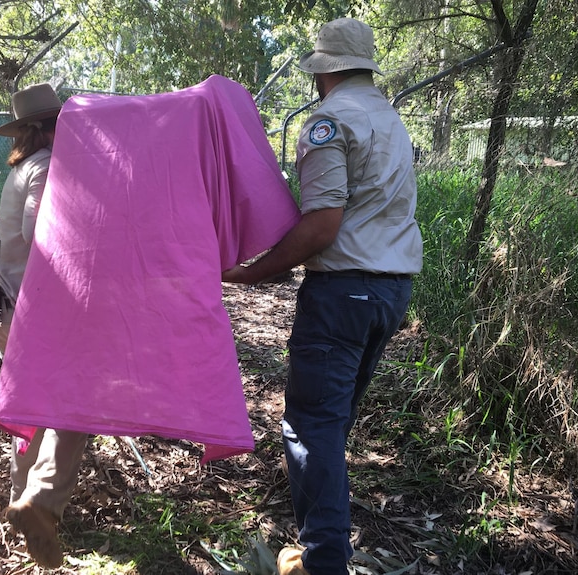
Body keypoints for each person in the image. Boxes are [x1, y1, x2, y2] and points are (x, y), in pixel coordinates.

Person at [222, 18, 423, 575]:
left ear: (323, 72)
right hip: (390, 291)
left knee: (311, 426)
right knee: (330, 424)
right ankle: (318, 545)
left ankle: (323, 560)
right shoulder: (389, 118)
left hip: (343, 292)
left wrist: (252, 273)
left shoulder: (330, 122)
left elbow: (321, 226)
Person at [0, 82, 87, 569]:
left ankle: (21, 496)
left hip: (4, 309)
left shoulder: (22, 168)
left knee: (32, 405)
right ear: (49, 128)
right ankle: (42, 501)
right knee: (76, 403)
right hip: (31, 314)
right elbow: (39, 231)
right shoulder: (46, 167)